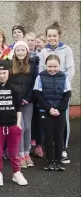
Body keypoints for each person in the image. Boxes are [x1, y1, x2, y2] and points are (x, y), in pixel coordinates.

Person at [38, 22, 75, 164]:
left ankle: (63, 148)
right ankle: (51, 149)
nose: (52, 38)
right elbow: (41, 70)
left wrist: (60, 83)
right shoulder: (43, 52)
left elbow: (70, 69)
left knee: (62, 120)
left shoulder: (67, 50)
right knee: (48, 120)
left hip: (61, 91)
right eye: (49, 36)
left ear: (59, 36)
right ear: (46, 37)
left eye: (54, 35)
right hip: (47, 92)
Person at [0, 60, 28, 186]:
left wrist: (18, 124)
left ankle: (17, 172)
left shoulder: (15, 89)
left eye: (4, 73)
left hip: (13, 124)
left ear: (8, 72)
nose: (2, 75)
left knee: (13, 152)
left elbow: (18, 107)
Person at [34, 54, 71, 171]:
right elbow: (38, 95)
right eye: (50, 66)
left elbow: (67, 95)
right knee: (49, 135)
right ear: (45, 65)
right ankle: (49, 161)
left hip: (59, 111)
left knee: (58, 136)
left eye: (55, 66)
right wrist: (49, 108)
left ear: (59, 66)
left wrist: (58, 109)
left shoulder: (64, 77)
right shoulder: (40, 77)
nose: (52, 69)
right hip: (45, 110)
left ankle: (59, 161)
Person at [9, 41, 39, 168]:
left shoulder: (32, 65)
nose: (20, 52)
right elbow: (8, 83)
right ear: (15, 52)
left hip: (28, 101)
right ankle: (20, 154)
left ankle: (27, 154)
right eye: (18, 50)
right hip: (16, 102)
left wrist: (27, 98)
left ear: (27, 51)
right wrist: (16, 99)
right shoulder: (10, 65)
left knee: (27, 127)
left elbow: (34, 84)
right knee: (19, 128)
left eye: (23, 50)